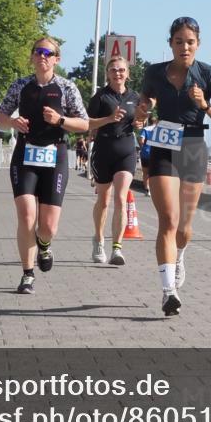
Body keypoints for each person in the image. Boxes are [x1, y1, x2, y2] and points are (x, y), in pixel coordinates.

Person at [134, 17, 211, 316]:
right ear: (170, 44)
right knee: (168, 220)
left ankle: (180, 255)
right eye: (179, 41)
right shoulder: (154, 72)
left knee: (184, 228)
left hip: (193, 148)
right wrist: (142, 109)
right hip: (164, 144)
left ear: (197, 44)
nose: (184, 47)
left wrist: (204, 105)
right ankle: (168, 291)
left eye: (190, 42)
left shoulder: (208, 74)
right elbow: (145, 98)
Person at [0, 37, 88, 294]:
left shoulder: (66, 87)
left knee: (48, 226)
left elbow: (84, 123)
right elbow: (0, 115)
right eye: (38, 51)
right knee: (26, 215)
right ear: (32, 56)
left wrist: (60, 120)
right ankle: (27, 274)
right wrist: (12, 122)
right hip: (25, 154)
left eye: (48, 53)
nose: (43, 56)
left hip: (54, 155)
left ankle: (44, 247)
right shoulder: (21, 85)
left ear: (56, 59)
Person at [86, 56, 139, 266]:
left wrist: (140, 125)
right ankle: (99, 239)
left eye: (121, 70)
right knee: (104, 200)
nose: (118, 73)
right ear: (107, 74)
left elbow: (139, 120)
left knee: (121, 198)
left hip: (126, 149)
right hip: (104, 149)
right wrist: (109, 119)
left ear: (128, 74)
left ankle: (117, 248)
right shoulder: (100, 96)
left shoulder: (135, 97)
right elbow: (86, 122)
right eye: (113, 70)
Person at [138, 114, 158, 196]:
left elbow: (141, 141)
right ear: (156, 121)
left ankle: (147, 190)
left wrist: (143, 146)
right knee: (154, 173)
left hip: (145, 153)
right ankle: (154, 189)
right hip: (156, 154)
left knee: (145, 173)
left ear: (149, 121)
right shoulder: (159, 130)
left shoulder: (145, 129)